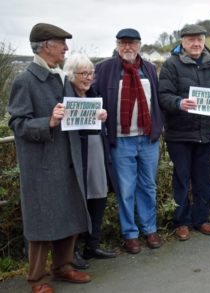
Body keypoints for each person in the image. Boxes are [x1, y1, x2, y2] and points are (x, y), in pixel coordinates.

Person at [8, 23, 91, 293]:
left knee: (68, 212)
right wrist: (49, 122)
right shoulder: (24, 80)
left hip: (66, 159)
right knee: (43, 220)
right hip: (42, 164)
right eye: (61, 44)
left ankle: (63, 266)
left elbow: (71, 113)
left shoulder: (61, 77)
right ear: (45, 46)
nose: (66, 48)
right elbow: (18, 124)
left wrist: (92, 115)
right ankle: (36, 278)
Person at [93, 28, 163, 254]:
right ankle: (130, 234)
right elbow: (92, 97)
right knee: (125, 189)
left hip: (148, 139)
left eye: (132, 43)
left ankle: (149, 228)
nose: (127, 47)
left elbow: (158, 101)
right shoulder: (104, 69)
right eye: (123, 43)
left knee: (148, 186)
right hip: (121, 141)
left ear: (140, 45)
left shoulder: (149, 69)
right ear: (117, 45)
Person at [159, 24, 210, 241]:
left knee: (203, 179)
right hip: (180, 133)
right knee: (181, 178)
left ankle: (201, 219)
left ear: (204, 41)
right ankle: (182, 222)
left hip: (205, 132)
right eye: (191, 41)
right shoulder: (171, 65)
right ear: (183, 43)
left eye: (199, 40)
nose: (196, 44)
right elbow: (163, 96)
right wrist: (179, 103)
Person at [63, 54, 118, 268]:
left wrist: (104, 116)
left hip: (98, 153)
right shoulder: (64, 96)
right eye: (83, 74)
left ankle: (92, 245)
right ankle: (73, 251)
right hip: (78, 158)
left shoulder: (95, 94)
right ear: (71, 75)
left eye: (91, 73)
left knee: (99, 197)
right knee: (78, 203)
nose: (88, 78)